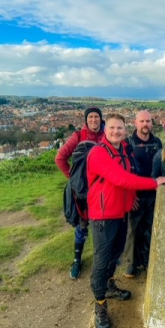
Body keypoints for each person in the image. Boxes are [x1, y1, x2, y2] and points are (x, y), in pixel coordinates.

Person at [87, 113, 165, 328]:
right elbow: (120, 178)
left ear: (125, 131)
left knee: (116, 254)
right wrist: (154, 182)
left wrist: (131, 198)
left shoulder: (124, 149)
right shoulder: (98, 153)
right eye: (112, 128)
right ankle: (100, 304)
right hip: (103, 215)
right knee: (102, 259)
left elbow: (129, 173)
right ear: (105, 130)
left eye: (120, 128)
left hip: (120, 212)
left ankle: (109, 284)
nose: (116, 132)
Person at [55, 107, 104, 279]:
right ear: (86, 120)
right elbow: (60, 158)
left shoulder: (107, 136)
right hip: (82, 192)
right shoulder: (78, 136)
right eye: (90, 117)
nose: (93, 120)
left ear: (100, 119)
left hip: (101, 190)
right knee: (82, 226)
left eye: (96, 117)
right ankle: (77, 260)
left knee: (101, 225)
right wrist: (72, 177)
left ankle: (102, 259)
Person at [123, 110, 162, 279]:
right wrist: (130, 195)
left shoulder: (157, 142)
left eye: (148, 121)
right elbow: (124, 172)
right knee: (133, 229)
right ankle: (132, 263)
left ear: (151, 123)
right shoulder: (127, 143)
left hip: (153, 193)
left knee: (150, 228)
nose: (145, 124)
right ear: (135, 123)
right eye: (142, 121)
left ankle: (147, 260)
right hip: (136, 195)